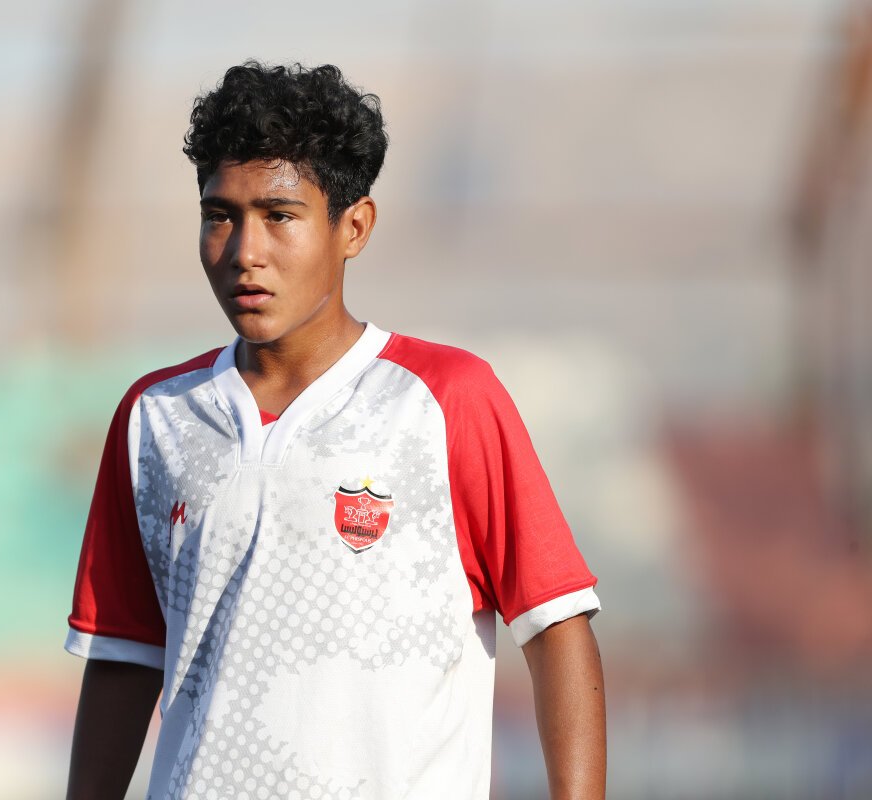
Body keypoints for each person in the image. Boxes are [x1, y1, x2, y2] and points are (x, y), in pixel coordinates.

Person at [64, 60, 606, 800]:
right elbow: (125, 656)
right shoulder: (155, 416)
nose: (245, 251)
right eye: (221, 215)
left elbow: (556, 627)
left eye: (280, 216)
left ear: (354, 227)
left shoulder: (445, 398)